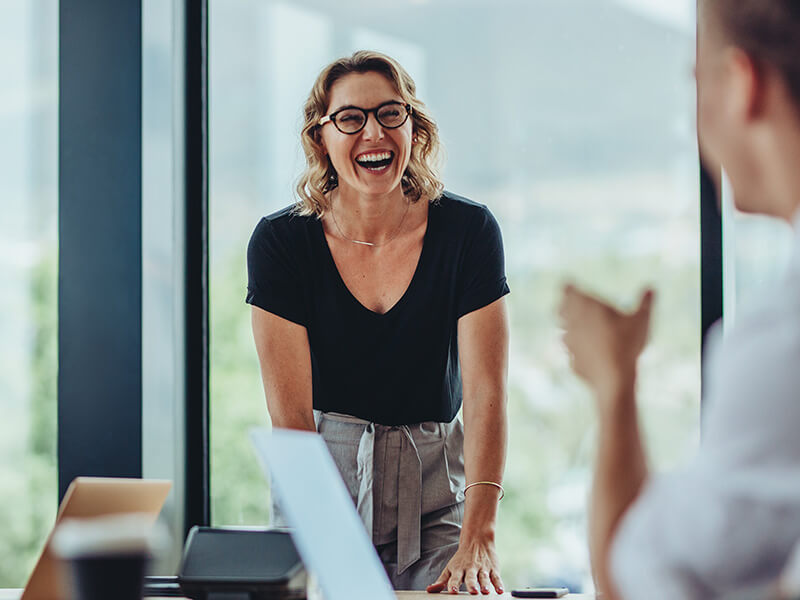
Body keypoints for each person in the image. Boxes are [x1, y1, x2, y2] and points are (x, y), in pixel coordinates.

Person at [558, 1, 800, 598]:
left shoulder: (782, 339)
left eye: (696, 85)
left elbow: (634, 582)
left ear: (742, 85)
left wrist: (615, 385)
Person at [246, 50, 510, 593]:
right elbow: (291, 416)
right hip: (321, 488)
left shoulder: (468, 231)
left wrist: (479, 532)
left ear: (415, 128)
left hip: (437, 495)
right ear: (321, 137)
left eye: (391, 113)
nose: (373, 132)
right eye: (350, 118)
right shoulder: (280, 243)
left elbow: (487, 394)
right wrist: (332, 549)